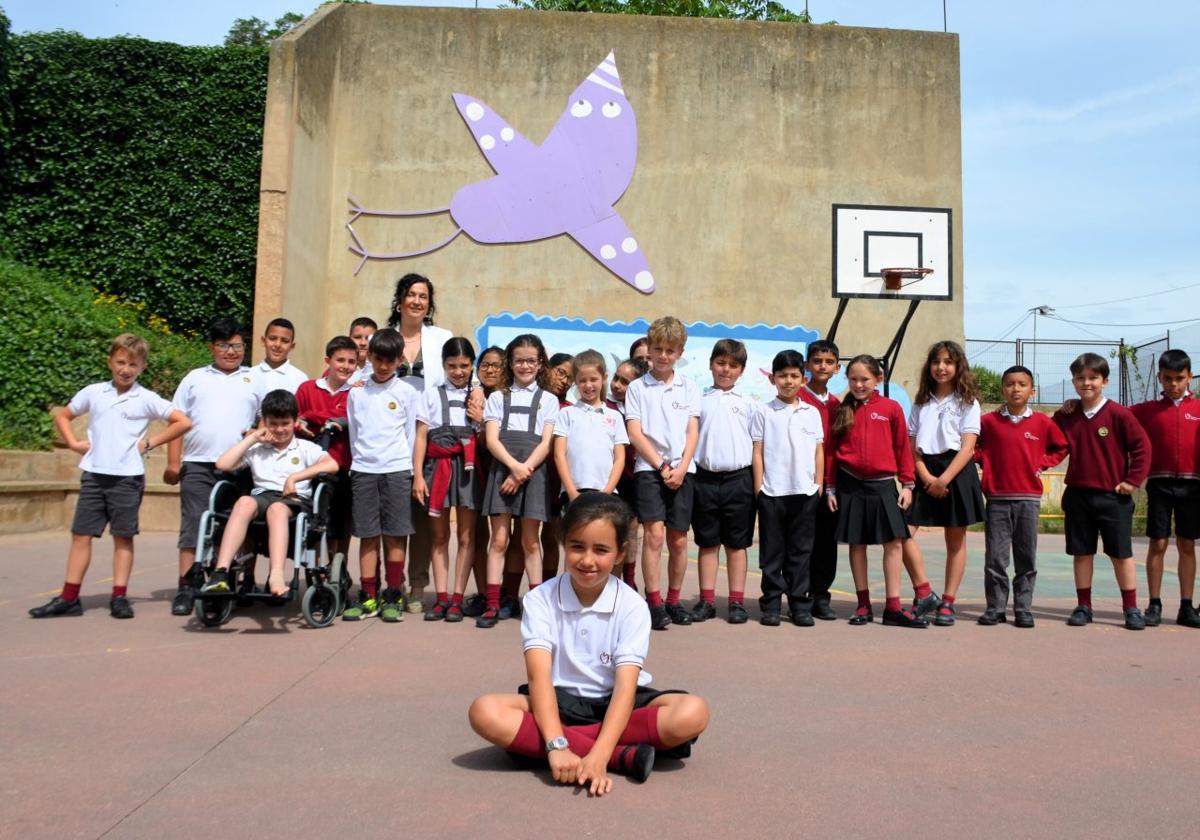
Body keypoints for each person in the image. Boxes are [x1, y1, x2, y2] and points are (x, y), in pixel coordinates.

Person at [467, 492, 710, 793]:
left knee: (692, 712)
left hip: (617, 703)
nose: (587, 560)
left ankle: (570, 747)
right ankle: (622, 756)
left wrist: (599, 754)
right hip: (557, 701)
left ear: (620, 553)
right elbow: (538, 677)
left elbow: (625, 687)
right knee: (484, 711)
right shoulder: (539, 599)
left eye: (601, 550)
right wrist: (556, 744)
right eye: (577, 547)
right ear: (563, 543)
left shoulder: (632, 606)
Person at [30, 334, 192, 619]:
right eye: (120, 362)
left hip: (127, 478)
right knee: (81, 535)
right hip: (94, 474)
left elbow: (183, 421)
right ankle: (69, 597)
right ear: (110, 362)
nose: (125, 369)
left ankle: (119, 596)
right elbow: (63, 416)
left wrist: (150, 442)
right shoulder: (93, 392)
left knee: (123, 537)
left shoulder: (146, 398)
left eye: (133, 364)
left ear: (143, 366)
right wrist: (71, 442)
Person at [164, 317, 262, 616]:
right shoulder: (194, 378)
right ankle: (187, 586)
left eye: (236, 345)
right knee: (194, 523)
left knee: (237, 525)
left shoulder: (255, 378)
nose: (230, 351)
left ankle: (235, 580)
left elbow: (265, 421)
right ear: (211, 347)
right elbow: (176, 420)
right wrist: (172, 462)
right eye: (223, 345)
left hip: (240, 466)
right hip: (197, 464)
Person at [199, 390, 338, 597]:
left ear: (294, 422)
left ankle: (276, 574)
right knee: (244, 502)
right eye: (273, 424)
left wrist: (295, 477)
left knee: (276, 509)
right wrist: (253, 437)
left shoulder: (305, 448)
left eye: (285, 423)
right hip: (261, 497)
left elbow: (332, 464)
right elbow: (223, 464)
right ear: (264, 422)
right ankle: (221, 571)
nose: (280, 429)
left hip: (293, 501)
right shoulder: (257, 450)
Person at [826, 355, 927, 628]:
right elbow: (832, 454)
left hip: (883, 485)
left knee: (893, 543)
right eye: (853, 379)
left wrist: (907, 484)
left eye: (865, 379)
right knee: (856, 544)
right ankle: (863, 605)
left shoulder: (892, 408)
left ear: (878, 380)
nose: (859, 385)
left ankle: (893, 607)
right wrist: (830, 487)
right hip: (849, 485)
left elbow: (902, 448)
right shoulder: (841, 409)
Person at [1053, 353, 1151, 629]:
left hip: (1113, 497)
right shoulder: (1067, 415)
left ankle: (1131, 608)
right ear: (1073, 381)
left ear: (1105, 381)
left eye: (1093, 378)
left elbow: (1142, 448)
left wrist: (1132, 480)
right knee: (1082, 553)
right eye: (1081, 378)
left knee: (1121, 553)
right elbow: (1049, 439)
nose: (1087, 383)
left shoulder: (1120, 415)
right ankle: (1084, 606)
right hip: (1078, 495)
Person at [974, 365, 1068, 627]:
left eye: (1022, 384)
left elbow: (1061, 447)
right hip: (997, 498)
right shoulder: (988, 422)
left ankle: (1024, 608)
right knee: (995, 557)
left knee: (1026, 556)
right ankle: (995, 607)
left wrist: (1042, 463)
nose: (1015, 389)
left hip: (1028, 498)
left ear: (1032, 390)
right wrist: (985, 460)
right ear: (1003, 389)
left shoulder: (1042, 422)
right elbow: (971, 445)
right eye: (1010, 384)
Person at [900, 341, 985, 626]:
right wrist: (925, 477)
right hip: (926, 471)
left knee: (955, 540)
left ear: (958, 366)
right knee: (901, 533)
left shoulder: (967, 402)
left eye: (948, 361)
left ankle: (948, 602)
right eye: (936, 362)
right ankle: (924, 592)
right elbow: (912, 446)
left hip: (956, 473)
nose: (941, 367)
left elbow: (968, 447)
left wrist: (944, 479)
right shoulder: (921, 402)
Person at [478, 334, 560, 628]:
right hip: (504, 471)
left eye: (531, 360)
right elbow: (491, 440)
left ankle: (536, 607)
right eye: (519, 360)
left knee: (530, 541)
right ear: (510, 364)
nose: (525, 366)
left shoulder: (549, 400)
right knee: (498, 540)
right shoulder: (497, 397)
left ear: (540, 364)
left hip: (533, 473)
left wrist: (524, 470)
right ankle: (492, 603)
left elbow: (546, 443)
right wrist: (513, 467)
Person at [624, 317, 701, 630]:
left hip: (683, 470)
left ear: (680, 352)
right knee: (654, 535)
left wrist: (681, 466)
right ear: (649, 350)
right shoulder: (637, 388)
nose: (664, 355)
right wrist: (662, 465)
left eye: (670, 350)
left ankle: (673, 600)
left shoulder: (690, 387)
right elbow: (635, 432)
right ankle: (653, 602)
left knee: (679, 540)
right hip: (649, 469)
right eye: (658, 349)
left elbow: (692, 429)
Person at [386, 273, 456, 612]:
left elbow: (458, 379)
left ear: (429, 304)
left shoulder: (442, 339)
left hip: (429, 436)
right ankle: (392, 583)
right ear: (399, 300)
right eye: (411, 294)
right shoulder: (384, 339)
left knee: (425, 514)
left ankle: (417, 583)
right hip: (391, 439)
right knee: (396, 515)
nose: (417, 301)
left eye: (423, 296)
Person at [342, 329, 421, 622]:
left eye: (390, 360)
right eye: (379, 359)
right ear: (370, 357)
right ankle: (368, 595)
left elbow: (410, 435)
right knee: (368, 535)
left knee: (396, 535)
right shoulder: (357, 392)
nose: (384, 366)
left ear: (400, 359)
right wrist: (360, 463)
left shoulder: (407, 392)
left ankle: (393, 593)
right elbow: (354, 434)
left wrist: (409, 471)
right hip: (363, 470)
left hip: (397, 470)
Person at [749, 349, 824, 626]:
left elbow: (819, 451)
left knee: (801, 551)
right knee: (771, 552)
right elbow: (758, 451)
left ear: (803, 379)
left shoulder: (811, 413)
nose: (788, 381)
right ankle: (770, 603)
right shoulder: (763, 411)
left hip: (804, 493)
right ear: (772, 379)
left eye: (794, 376)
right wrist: (760, 489)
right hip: (772, 492)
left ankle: (799, 603)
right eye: (782, 376)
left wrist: (817, 485)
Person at [1129, 350, 1200, 628]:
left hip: (1193, 485)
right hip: (1159, 483)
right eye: (1168, 378)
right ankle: (1154, 604)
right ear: (1160, 377)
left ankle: (1186, 606)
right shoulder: (1147, 410)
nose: (1173, 384)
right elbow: (1111, 416)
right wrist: (1076, 403)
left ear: (1189, 377)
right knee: (1157, 543)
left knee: (1187, 544)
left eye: (1179, 378)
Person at [688, 339, 757, 625]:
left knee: (736, 544)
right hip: (704, 479)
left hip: (739, 480)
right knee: (707, 543)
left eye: (733, 365)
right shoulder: (699, 401)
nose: (725, 370)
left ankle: (737, 602)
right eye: (721, 363)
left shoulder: (749, 404)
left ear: (741, 370)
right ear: (710, 364)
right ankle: (706, 601)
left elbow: (757, 445)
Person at [412, 337, 480, 622]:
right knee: (439, 535)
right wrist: (418, 475)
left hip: (467, 469)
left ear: (471, 365)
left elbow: (485, 431)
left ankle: (456, 597)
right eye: (452, 365)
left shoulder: (479, 395)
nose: (458, 371)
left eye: (464, 365)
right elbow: (421, 437)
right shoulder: (430, 394)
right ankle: (440, 597)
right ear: (443, 365)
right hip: (436, 468)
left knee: (466, 536)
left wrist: (481, 412)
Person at [295, 336, 358, 559]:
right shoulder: (307, 389)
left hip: (344, 466)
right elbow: (296, 419)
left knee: (340, 524)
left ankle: (336, 570)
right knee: (315, 519)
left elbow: (357, 420)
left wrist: (321, 419)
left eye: (351, 362)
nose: (346, 366)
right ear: (327, 361)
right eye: (340, 360)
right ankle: (317, 566)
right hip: (312, 468)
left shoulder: (356, 393)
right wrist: (303, 422)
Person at [799, 339, 842, 619]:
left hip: (830, 485)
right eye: (817, 361)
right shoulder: (798, 399)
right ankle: (799, 594)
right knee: (801, 542)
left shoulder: (840, 405)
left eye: (828, 362)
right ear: (807, 365)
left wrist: (832, 485)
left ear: (837, 368)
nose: (822, 366)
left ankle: (821, 595)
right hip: (802, 483)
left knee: (826, 542)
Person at [553, 349, 628, 502]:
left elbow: (620, 458)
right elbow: (559, 454)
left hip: (606, 492)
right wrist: (571, 491)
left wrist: (607, 491)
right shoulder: (566, 414)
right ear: (575, 381)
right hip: (573, 492)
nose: (588, 385)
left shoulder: (615, 416)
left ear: (604, 377)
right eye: (582, 380)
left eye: (593, 379)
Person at [465, 346, 505, 618]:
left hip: (504, 473)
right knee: (479, 536)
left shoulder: (509, 398)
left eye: (497, 365)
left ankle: (505, 594)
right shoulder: (472, 396)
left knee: (504, 539)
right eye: (485, 365)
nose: (490, 370)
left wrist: (483, 424)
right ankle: (483, 592)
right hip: (475, 473)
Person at [609, 358, 647, 591]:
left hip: (634, 477)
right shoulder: (604, 407)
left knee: (631, 532)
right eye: (616, 378)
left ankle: (629, 581)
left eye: (625, 382)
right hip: (611, 477)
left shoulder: (642, 410)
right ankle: (609, 582)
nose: (617, 385)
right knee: (611, 532)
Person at [543, 352, 576, 580]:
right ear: (548, 369)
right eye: (560, 373)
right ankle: (508, 593)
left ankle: (550, 587)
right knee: (519, 540)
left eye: (570, 377)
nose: (564, 380)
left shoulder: (570, 410)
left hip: (556, 484)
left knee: (551, 539)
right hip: (530, 478)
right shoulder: (534, 400)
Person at [252, 317, 308, 394]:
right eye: (272, 338)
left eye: (285, 341)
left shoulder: (301, 379)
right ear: (263, 341)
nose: (278, 344)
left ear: (292, 346)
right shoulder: (249, 375)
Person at [347, 316, 377, 385]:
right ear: (349, 339)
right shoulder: (340, 369)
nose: (363, 343)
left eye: (368, 338)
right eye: (357, 337)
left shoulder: (381, 370)